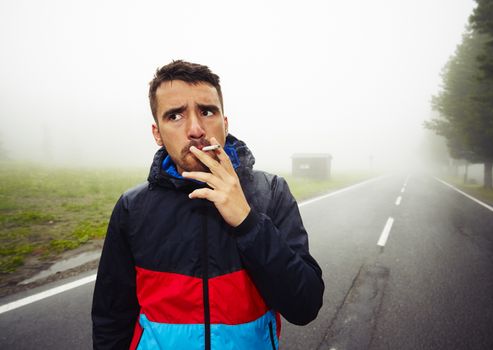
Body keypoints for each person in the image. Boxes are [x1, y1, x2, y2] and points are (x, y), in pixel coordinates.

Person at [91, 60, 324, 350]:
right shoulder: (132, 208)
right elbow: (110, 319)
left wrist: (248, 222)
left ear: (225, 123)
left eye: (207, 111)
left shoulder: (271, 192)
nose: (195, 129)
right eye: (175, 115)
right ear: (157, 133)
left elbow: (305, 306)